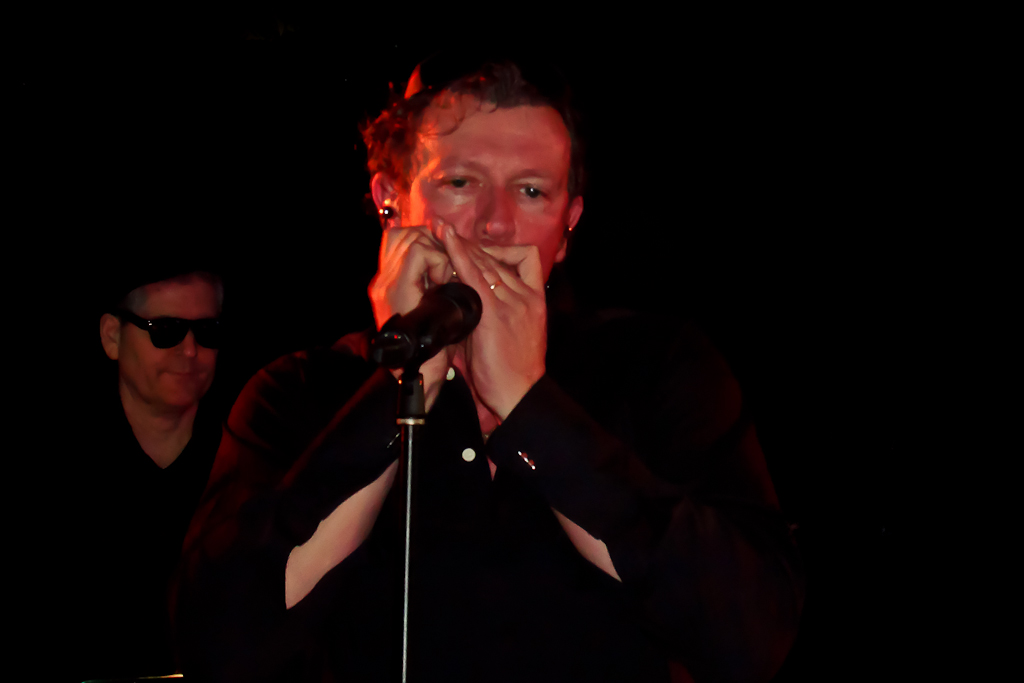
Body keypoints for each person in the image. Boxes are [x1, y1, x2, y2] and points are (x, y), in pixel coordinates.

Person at [175, 54, 803, 682]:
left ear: (568, 226)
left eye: (531, 191)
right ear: (391, 202)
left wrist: (531, 408)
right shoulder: (301, 391)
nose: (496, 222)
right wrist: (401, 384)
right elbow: (218, 644)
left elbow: (752, 638)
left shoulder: (658, 367)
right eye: (460, 182)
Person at [63, 267, 227, 681]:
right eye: (166, 330)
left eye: (206, 331)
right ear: (112, 337)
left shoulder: (246, 454)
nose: (190, 350)